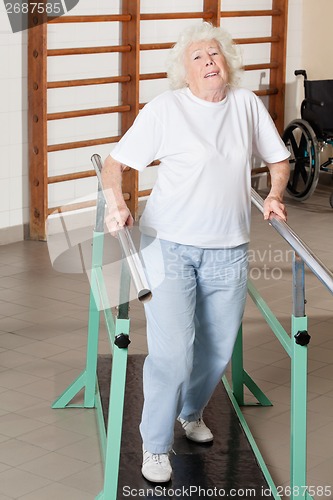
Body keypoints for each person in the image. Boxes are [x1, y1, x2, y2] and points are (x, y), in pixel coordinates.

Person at [101, 22, 290, 483]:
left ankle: (190, 413)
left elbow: (279, 159)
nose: (209, 62)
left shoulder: (246, 105)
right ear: (185, 73)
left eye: (214, 54)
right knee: (171, 355)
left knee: (216, 349)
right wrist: (117, 201)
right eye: (198, 58)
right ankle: (154, 445)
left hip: (229, 248)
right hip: (169, 245)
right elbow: (114, 163)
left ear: (227, 62)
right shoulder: (167, 109)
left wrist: (274, 194)